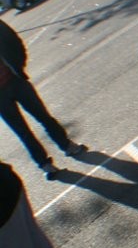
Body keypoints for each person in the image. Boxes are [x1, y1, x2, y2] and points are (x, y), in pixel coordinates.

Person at [0, 19, 87, 180]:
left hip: (16, 81)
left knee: (44, 117)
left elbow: (14, 40)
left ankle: (67, 145)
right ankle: (45, 164)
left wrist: (19, 64)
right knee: (22, 131)